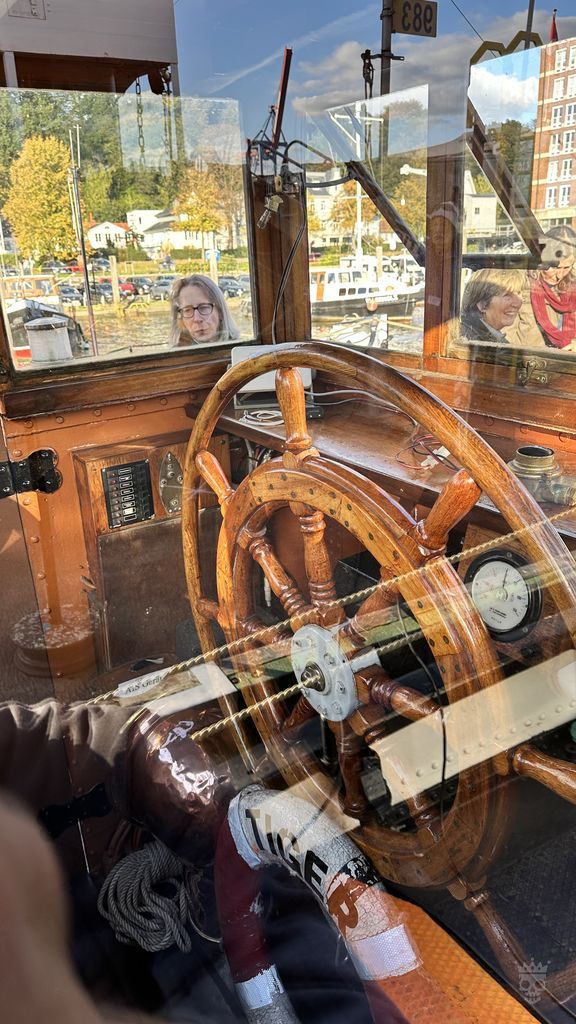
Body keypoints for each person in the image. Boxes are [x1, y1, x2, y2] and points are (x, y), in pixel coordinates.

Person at [503, 225, 576, 350]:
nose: (559, 275)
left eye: (566, 267)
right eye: (555, 267)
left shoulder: (573, 287)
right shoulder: (518, 283)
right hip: (531, 359)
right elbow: (504, 334)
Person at [458, 268, 524, 346]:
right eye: (507, 295)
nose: (517, 303)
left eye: (519, 293)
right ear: (482, 304)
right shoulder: (471, 343)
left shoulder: (488, 339)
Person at [170, 274, 240, 347]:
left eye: (203, 308)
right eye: (187, 310)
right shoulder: (175, 353)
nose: (197, 319)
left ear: (220, 311)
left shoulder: (240, 350)